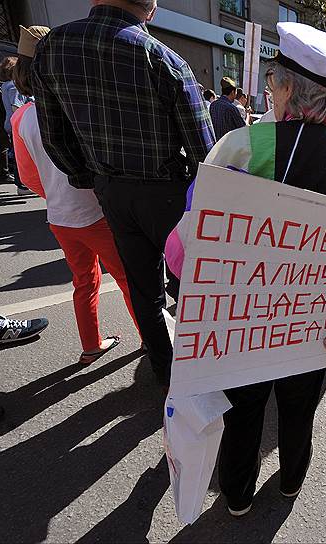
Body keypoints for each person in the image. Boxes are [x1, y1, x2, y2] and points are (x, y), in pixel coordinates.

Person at [165, 22, 326, 516]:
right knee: (298, 408)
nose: (270, 88)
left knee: (245, 411)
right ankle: (290, 482)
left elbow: (187, 248)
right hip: (314, 325)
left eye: (273, 80)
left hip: (243, 323)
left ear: (288, 89)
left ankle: (239, 496)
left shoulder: (241, 147)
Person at [31, 0, 215, 386]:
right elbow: (205, 152)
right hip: (166, 192)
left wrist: (89, 177)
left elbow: (54, 136)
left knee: (142, 287)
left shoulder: (53, 47)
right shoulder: (163, 59)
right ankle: (201, 364)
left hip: (112, 191)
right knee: (196, 280)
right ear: (150, 8)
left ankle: (165, 371)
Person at [13, 24, 139, 364]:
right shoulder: (75, 107)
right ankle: (150, 339)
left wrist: (55, 194)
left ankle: (91, 344)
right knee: (129, 278)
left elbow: (28, 177)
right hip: (94, 213)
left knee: (84, 281)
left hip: (59, 217)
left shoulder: (21, 117)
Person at [0, 56, 32, 196]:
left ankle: (22, 183)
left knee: (19, 154)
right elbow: (16, 106)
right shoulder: (13, 86)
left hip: (12, 124)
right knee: (23, 155)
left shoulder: (5, 86)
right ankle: (22, 185)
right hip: (17, 124)